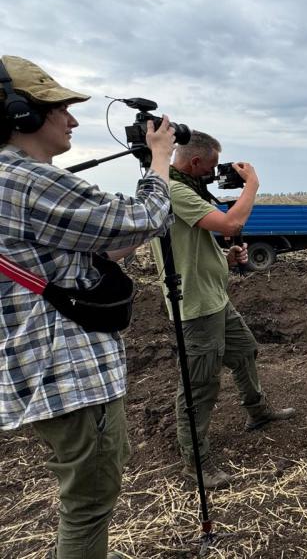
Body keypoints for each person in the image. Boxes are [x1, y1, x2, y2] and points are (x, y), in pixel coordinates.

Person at [0, 55, 175, 559]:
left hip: (31, 367)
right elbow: (143, 217)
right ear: (22, 113)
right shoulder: (27, 179)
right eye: (61, 109)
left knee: (83, 499)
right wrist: (159, 158)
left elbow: (86, 248)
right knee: (89, 504)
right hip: (67, 372)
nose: (73, 120)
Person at [150, 130, 295, 489]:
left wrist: (225, 256)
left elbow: (198, 239)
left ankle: (258, 412)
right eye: (212, 165)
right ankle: (196, 462)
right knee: (199, 385)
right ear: (195, 162)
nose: (216, 172)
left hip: (215, 298)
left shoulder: (190, 187)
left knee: (245, 351)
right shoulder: (174, 188)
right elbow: (231, 223)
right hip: (196, 307)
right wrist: (252, 185)